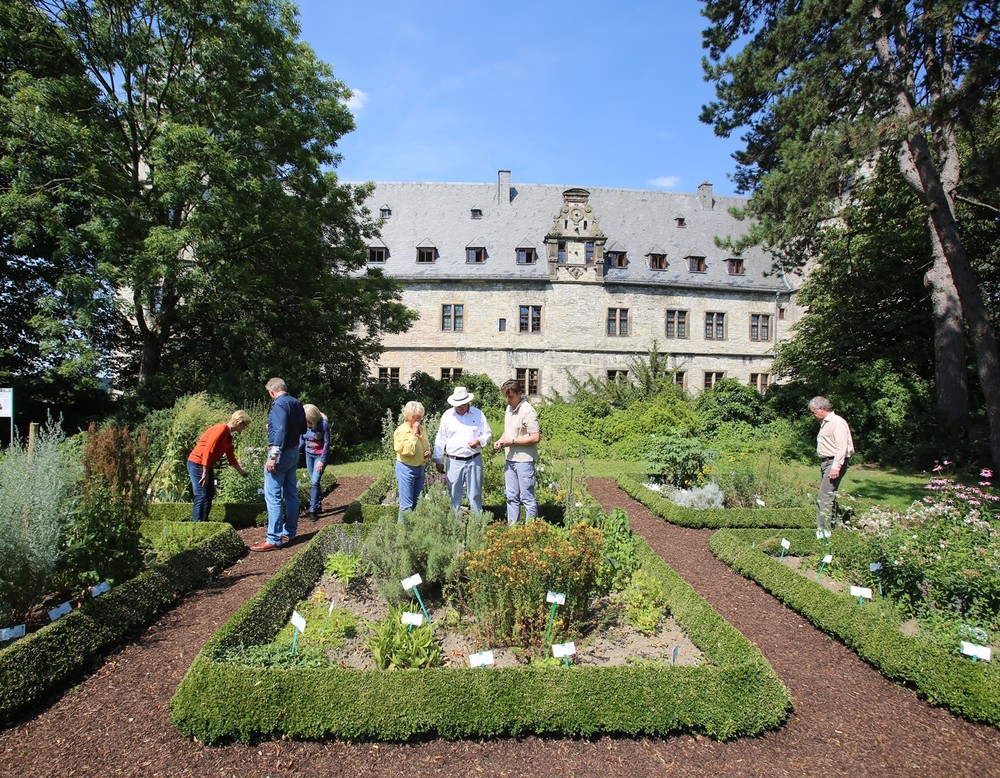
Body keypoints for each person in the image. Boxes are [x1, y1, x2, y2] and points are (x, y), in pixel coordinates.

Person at [251, 377, 307, 552]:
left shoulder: (280, 404)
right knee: (290, 494)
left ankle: (274, 539)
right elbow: (303, 429)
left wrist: (273, 456)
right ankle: (289, 532)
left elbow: (281, 429)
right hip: (293, 451)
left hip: (280, 453)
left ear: (271, 392)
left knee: (273, 496)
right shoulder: (296, 403)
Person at [433, 386, 492, 515]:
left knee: (475, 494)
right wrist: (438, 460)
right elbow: (440, 439)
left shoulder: (478, 414)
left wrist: (479, 441)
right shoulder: (447, 416)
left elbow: (488, 434)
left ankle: (477, 526)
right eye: (457, 404)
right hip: (453, 461)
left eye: (462, 404)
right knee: (454, 495)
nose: (459, 407)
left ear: (468, 402)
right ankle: (455, 527)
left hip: (474, 459)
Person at [186, 411, 250, 522]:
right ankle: (196, 525)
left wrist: (241, 471)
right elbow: (208, 450)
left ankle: (204, 523)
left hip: (206, 464)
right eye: (245, 425)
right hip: (197, 463)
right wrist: (205, 472)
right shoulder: (220, 429)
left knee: (209, 494)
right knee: (200, 494)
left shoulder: (228, 436)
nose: (244, 428)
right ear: (239, 422)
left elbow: (230, 456)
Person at [493, 379, 541, 525]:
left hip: (524, 460)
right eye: (506, 397)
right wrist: (500, 441)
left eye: (511, 396)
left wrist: (512, 442)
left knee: (527, 497)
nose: (508, 400)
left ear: (520, 393)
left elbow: (535, 437)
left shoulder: (528, 411)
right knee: (511, 496)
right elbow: (508, 432)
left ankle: (531, 531)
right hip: (510, 459)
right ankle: (512, 530)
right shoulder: (508, 409)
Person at [809, 396, 855, 533]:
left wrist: (835, 467)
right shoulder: (826, 422)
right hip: (827, 462)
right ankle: (836, 526)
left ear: (821, 409)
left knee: (824, 496)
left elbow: (841, 448)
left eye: (813, 411)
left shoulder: (837, 422)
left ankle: (822, 531)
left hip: (834, 462)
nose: (813, 414)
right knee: (830, 495)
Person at [393, 400, 432, 522]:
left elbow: (426, 445)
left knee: (416, 503)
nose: (419, 418)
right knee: (407, 505)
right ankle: (402, 536)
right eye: (416, 416)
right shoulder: (401, 431)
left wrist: (427, 452)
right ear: (409, 416)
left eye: (421, 416)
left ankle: (412, 533)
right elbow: (407, 451)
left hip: (420, 468)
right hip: (406, 469)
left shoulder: (421, 428)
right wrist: (414, 435)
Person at [301, 404, 331, 520]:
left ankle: (312, 510)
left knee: (314, 482)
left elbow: (327, 444)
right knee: (315, 482)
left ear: (312, 418)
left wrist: (322, 461)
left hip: (319, 456)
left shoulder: (323, 424)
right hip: (309, 455)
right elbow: (301, 440)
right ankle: (318, 506)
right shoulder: (303, 424)